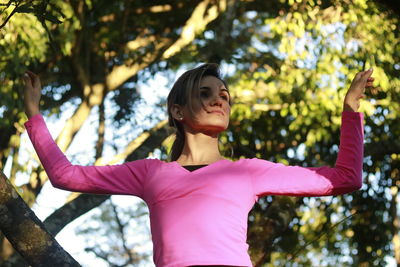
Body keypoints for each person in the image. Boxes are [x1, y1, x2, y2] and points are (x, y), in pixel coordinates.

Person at [22, 64, 373, 267]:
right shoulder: (150, 172)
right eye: (205, 93)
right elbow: (65, 176)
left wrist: (351, 108)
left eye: (223, 94)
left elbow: (344, 179)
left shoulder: (247, 171)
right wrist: (34, 114)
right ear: (178, 111)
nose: (220, 98)